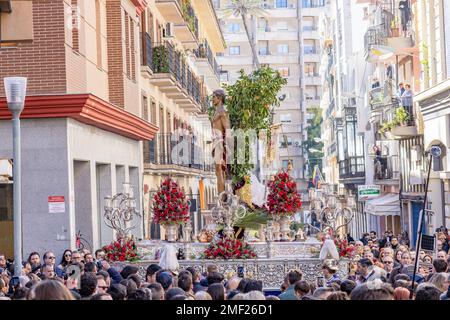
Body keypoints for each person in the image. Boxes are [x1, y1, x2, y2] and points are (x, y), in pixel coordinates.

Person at [210, 89, 230, 193]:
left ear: (220, 98)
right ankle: (221, 197)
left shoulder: (222, 112)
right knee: (218, 171)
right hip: (215, 142)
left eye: (214, 97)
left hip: (220, 142)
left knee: (219, 170)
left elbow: (227, 128)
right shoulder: (216, 112)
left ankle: (222, 198)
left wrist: (226, 145)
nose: (212, 99)